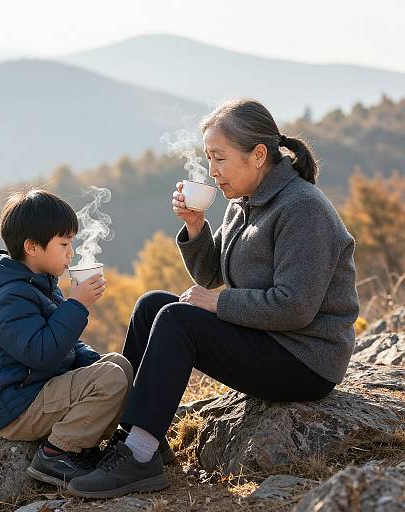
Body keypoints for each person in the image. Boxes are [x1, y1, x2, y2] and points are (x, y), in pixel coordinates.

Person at [68, 99, 360, 498]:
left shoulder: (303, 209)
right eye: (208, 158)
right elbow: (211, 274)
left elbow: (295, 306)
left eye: (219, 158)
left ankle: (139, 458)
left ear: (258, 155)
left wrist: (216, 305)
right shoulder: (243, 203)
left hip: (306, 360)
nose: (212, 171)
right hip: (268, 339)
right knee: (153, 304)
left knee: (177, 319)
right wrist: (195, 226)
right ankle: (135, 437)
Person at [0, 189, 133, 487]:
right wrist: (77, 305)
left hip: (37, 389)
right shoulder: (10, 297)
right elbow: (42, 352)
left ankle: (100, 445)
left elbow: (66, 344)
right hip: (16, 404)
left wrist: (92, 367)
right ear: (32, 247)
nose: (71, 253)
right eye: (64, 244)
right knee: (109, 378)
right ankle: (56, 454)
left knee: (118, 366)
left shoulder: (41, 283)